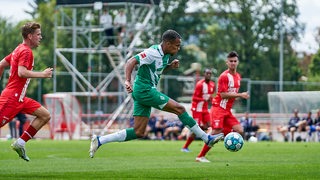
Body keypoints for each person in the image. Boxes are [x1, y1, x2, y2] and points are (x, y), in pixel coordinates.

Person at [89, 29, 224, 158]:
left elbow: (157, 68)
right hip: (144, 90)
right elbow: (131, 61)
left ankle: (100, 140)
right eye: (176, 46)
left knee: (139, 132)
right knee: (180, 109)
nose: (178, 49)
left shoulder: (165, 55)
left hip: (143, 92)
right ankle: (207, 138)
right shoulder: (152, 52)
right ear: (167, 44)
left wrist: (170, 66)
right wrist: (127, 81)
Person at [0, 22, 53, 161]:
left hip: (20, 98)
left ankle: (20, 143)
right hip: (12, 98)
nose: (40, 37)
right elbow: (22, 72)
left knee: (45, 115)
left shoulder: (18, 49)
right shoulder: (26, 51)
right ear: (30, 36)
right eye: (38, 34)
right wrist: (43, 74)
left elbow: (1, 64)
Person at [195, 51, 250, 162]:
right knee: (216, 132)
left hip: (227, 110)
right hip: (218, 108)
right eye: (231, 61)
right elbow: (223, 94)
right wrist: (240, 95)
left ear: (237, 62)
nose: (233, 63)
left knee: (239, 130)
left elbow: (231, 94)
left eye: (235, 61)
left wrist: (238, 96)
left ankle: (225, 139)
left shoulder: (238, 76)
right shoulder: (224, 76)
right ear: (227, 62)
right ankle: (200, 156)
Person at [181, 68, 215, 152]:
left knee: (210, 125)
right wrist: (204, 99)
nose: (208, 75)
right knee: (196, 128)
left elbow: (210, 97)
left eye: (210, 73)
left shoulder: (212, 85)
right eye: (207, 73)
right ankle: (185, 147)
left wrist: (213, 101)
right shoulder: (200, 84)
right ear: (204, 74)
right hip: (197, 109)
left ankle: (207, 143)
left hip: (205, 109)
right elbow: (194, 97)